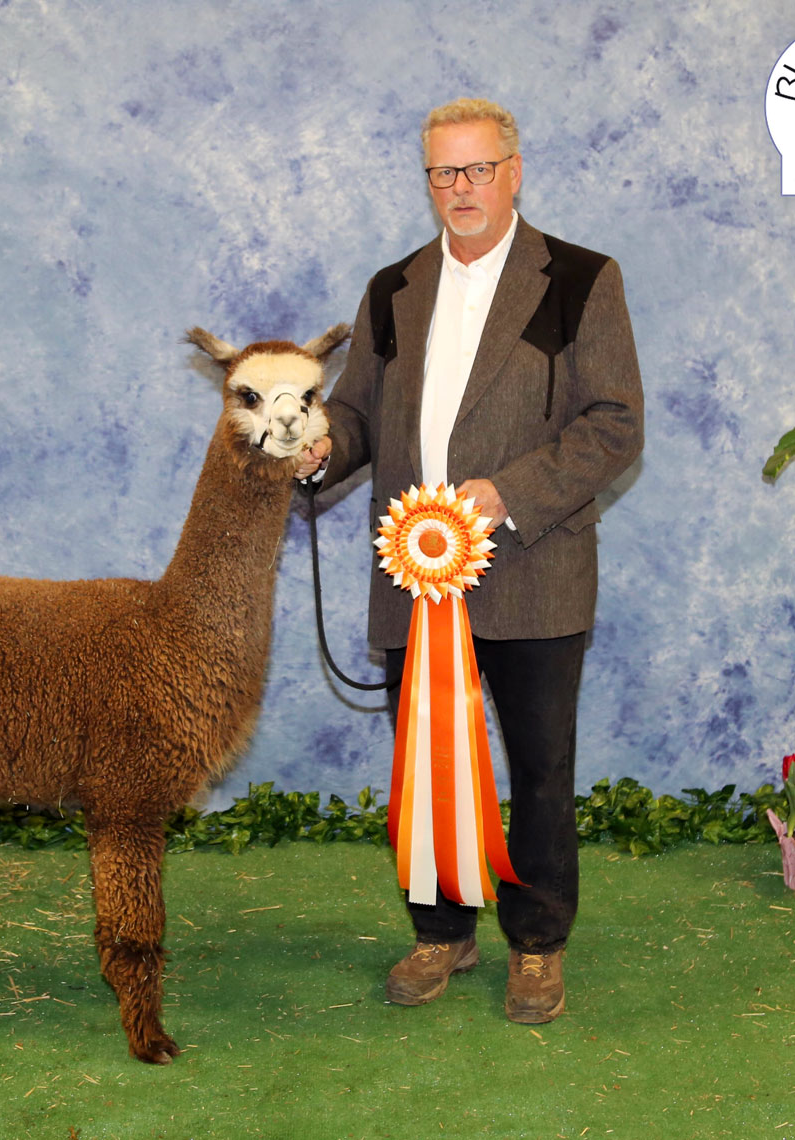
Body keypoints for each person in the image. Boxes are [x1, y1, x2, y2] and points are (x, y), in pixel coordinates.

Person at [296, 97, 643, 1023]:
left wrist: (507, 495)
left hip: (536, 567)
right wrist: (324, 444)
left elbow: (613, 424)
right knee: (427, 767)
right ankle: (441, 932)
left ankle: (537, 945)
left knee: (539, 767)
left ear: (514, 170)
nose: (460, 190)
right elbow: (361, 412)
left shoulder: (580, 279)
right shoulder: (393, 288)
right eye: (442, 173)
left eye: (476, 170)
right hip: (417, 575)